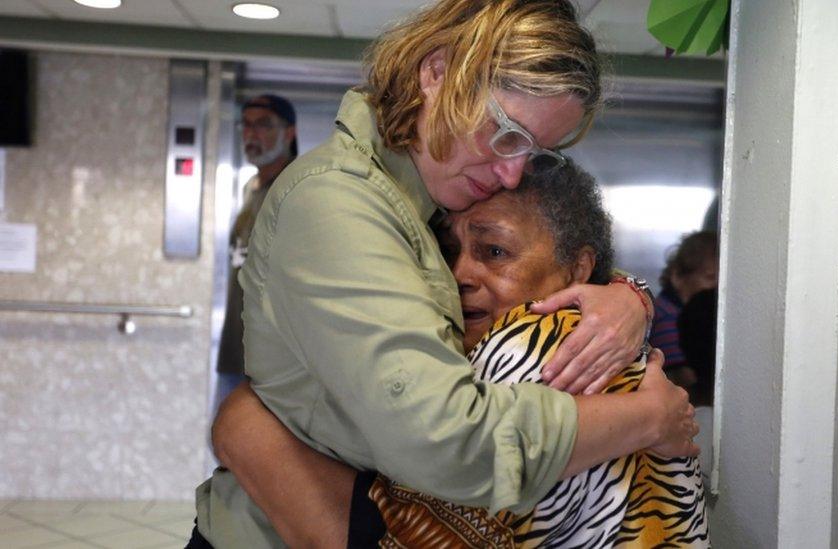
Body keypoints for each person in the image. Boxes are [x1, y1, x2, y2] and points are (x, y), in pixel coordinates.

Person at [191, 1, 698, 547]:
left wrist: (627, 293)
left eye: (533, 151)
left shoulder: (430, 196)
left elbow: (554, 257)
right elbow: (449, 443)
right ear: (437, 73)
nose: (511, 171)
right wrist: (647, 417)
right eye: (506, 133)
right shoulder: (338, 203)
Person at [211, 160, 710, 547]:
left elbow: (411, 537)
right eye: (449, 252)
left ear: (579, 268)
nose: (460, 275)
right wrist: (631, 293)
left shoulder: (541, 352)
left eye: (495, 252)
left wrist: (250, 431)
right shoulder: (592, 332)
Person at [214, 94, 298, 410]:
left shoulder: (295, 189)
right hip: (236, 352)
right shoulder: (253, 189)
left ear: (289, 133)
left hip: (270, 364)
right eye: (246, 125)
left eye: (264, 125)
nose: (252, 134)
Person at [648, 230, 719, 388]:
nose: (717, 287)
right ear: (678, 276)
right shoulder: (666, 316)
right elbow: (681, 376)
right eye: (709, 277)